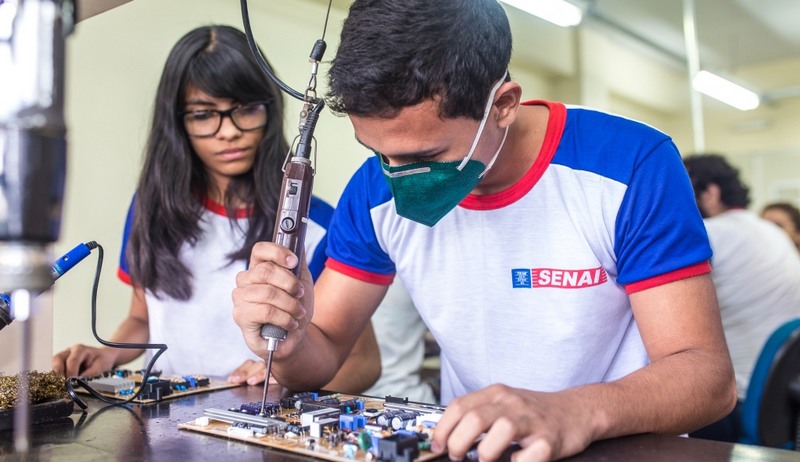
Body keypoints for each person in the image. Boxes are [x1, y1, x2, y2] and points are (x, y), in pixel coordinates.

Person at [232, 1, 736, 461]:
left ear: (503, 104)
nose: (398, 177)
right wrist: (290, 338)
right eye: (379, 153)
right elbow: (324, 354)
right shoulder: (373, 191)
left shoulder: (628, 165)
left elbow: (708, 378)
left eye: (427, 155)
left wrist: (574, 411)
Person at [50, 25, 381, 393]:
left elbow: (364, 363)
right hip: (159, 417)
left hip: (253, 419)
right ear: (177, 122)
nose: (228, 132)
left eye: (246, 109)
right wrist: (107, 354)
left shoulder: (315, 225)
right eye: (204, 115)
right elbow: (142, 319)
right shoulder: (151, 206)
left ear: (271, 110)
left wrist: (288, 375)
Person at [683, 154, 800, 441]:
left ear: (711, 193)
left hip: (736, 402)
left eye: (683, 191)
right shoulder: (771, 231)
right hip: (780, 398)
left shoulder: (709, 234)